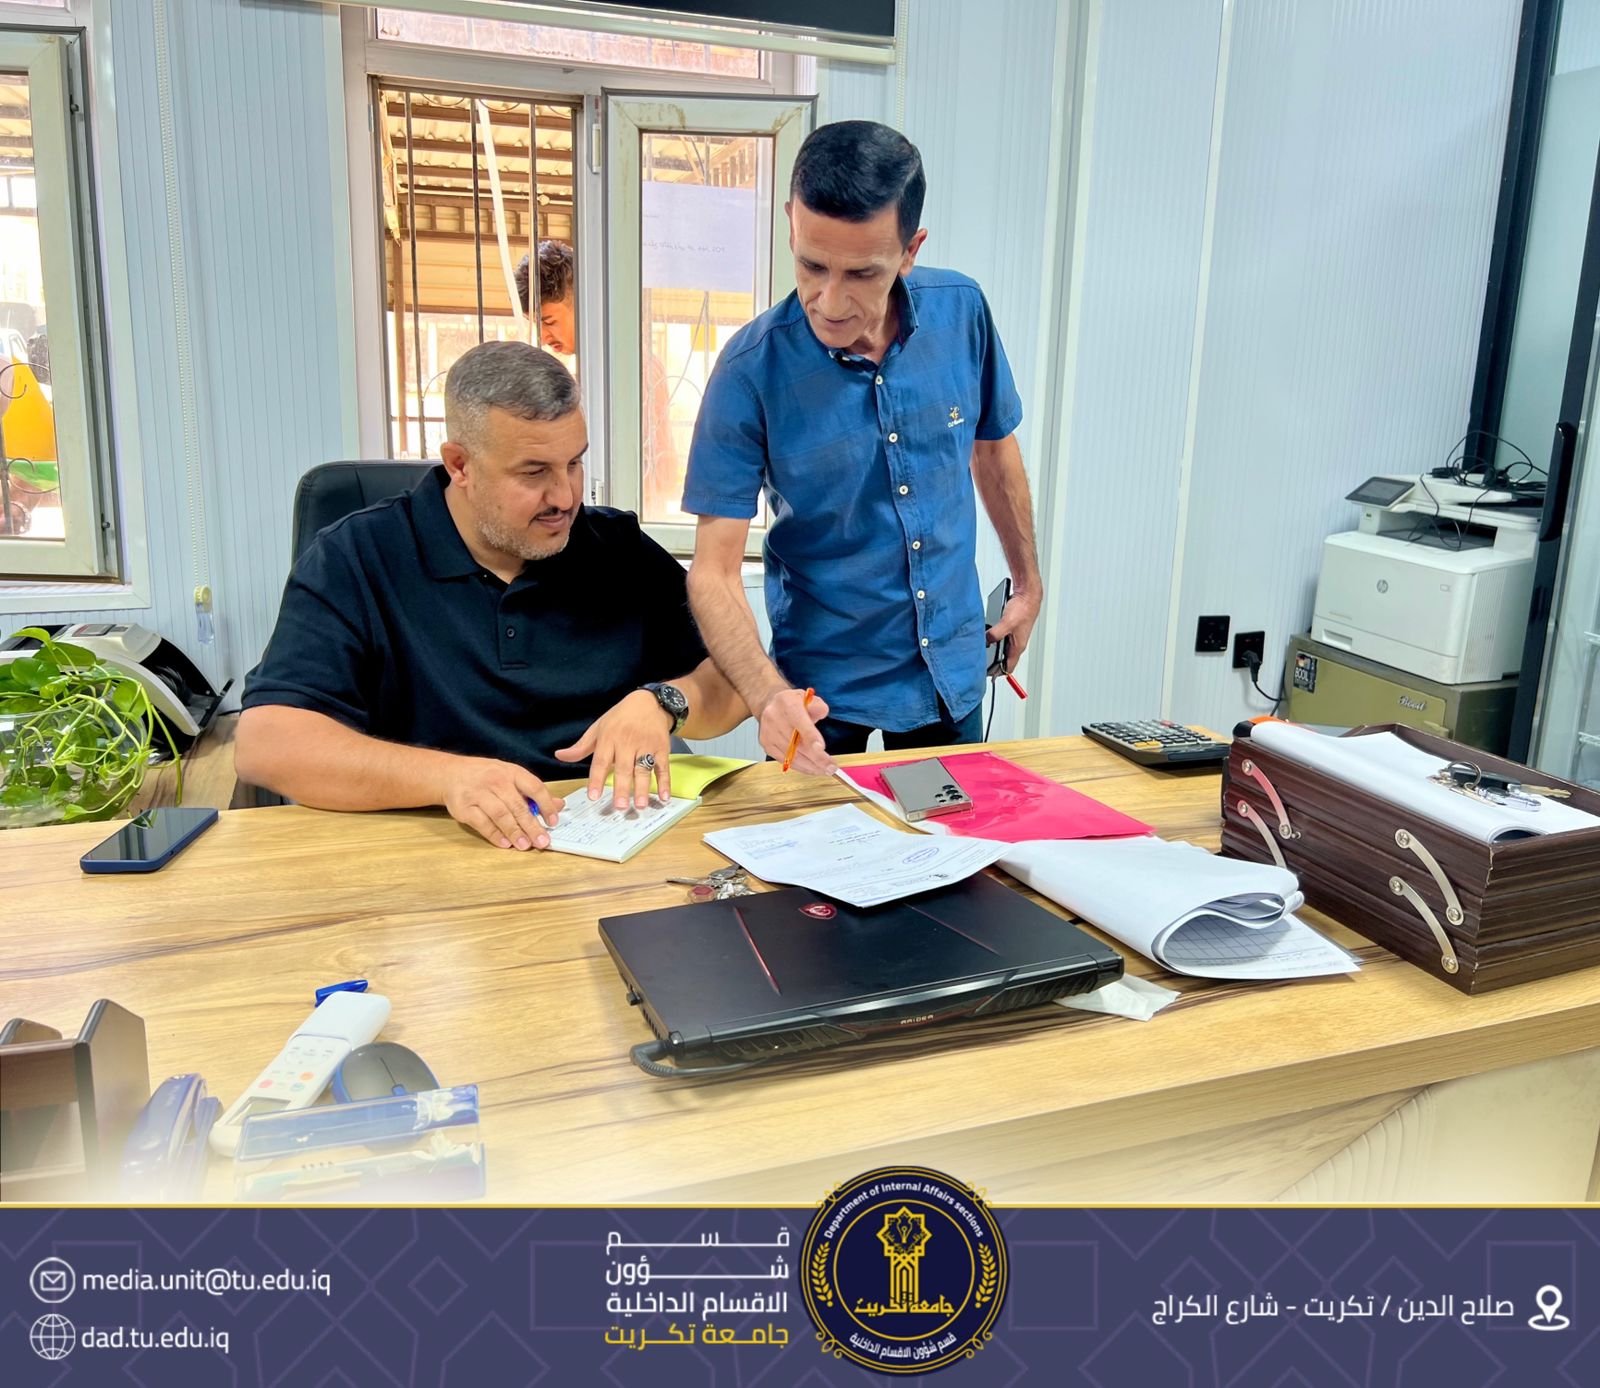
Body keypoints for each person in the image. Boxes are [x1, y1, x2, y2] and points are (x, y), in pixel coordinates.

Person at [236, 341, 746, 851]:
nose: (566, 497)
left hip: (602, 841)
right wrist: (447, 778)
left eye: (573, 463)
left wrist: (665, 702)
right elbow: (267, 742)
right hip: (429, 850)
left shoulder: (618, 549)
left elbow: (737, 680)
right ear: (460, 465)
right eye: (533, 472)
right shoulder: (357, 556)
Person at [682, 120, 1043, 773]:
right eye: (811, 264)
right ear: (791, 223)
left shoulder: (962, 311)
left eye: (861, 273)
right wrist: (765, 696)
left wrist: (1028, 585)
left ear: (910, 250)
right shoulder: (748, 371)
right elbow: (713, 571)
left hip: (948, 665)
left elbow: (993, 451)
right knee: (818, 840)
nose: (829, 300)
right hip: (819, 689)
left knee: (950, 836)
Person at [515, 239, 681, 518]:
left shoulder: (632, 369)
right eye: (537, 324)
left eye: (550, 321)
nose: (543, 336)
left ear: (583, 305)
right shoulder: (585, 372)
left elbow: (660, 471)